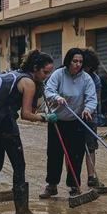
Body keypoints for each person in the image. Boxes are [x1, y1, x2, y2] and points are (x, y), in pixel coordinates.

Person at [0, 50, 56, 214]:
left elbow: (28, 107)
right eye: (45, 72)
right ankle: (22, 211)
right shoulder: (29, 83)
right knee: (19, 166)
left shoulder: (19, 76)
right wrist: (45, 118)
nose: (47, 76)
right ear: (36, 68)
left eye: (49, 72)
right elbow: (27, 114)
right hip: (6, 125)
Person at [40, 48, 97, 198]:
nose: (78, 64)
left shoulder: (86, 78)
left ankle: (74, 185)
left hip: (76, 120)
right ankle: (51, 185)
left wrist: (88, 109)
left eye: (80, 62)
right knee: (54, 154)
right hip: (57, 121)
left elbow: (91, 98)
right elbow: (48, 90)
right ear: (68, 61)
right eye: (75, 61)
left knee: (75, 155)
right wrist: (56, 97)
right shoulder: (58, 74)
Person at [82, 47, 105, 187]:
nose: (86, 69)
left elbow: (95, 100)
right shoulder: (73, 76)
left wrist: (88, 109)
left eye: (89, 67)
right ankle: (73, 181)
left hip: (90, 117)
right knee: (74, 149)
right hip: (73, 117)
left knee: (90, 147)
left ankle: (91, 176)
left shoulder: (95, 79)